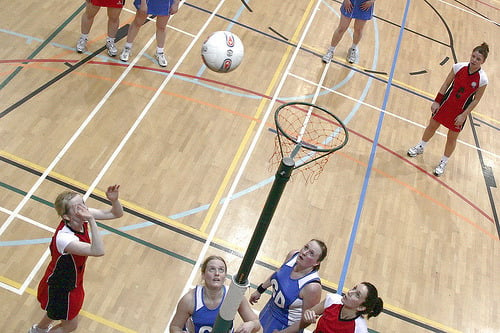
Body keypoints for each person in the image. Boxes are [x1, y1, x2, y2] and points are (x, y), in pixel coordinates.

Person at [29, 185, 123, 333]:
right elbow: (98, 251)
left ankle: (38, 330)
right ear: (66, 216)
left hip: (71, 279)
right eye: (77, 207)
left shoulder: (80, 216)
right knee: (70, 325)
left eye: (83, 204)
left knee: (56, 311)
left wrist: (115, 201)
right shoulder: (64, 238)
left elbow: (116, 214)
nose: (83, 209)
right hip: (62, 286)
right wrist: (91, 220)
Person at [407, 42, 489, 176]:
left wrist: (464, 115)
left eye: (478, 59)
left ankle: (443, 162)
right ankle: (421, 146)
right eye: (473, 56)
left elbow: (476, 100)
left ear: (483, 62)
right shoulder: (458, 67)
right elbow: (446, 84)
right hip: (445, 104)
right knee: (432, 126)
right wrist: (437, 101)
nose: (474, 60)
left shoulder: (483, 80)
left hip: (459, 112)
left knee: (451, 138)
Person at [249, 239, 328, 333]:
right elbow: (279, 274)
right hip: (269, 310)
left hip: (286, 326)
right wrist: (260, 289)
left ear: (316, 263)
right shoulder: (293, 255)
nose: (304, 252)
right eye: (306, 247)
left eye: (311, 253)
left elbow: (305, 320)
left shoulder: (312, 287)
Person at [170, 255, 261, 333]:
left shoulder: (234, 296)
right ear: (203, 275)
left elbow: (256, 323)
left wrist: (251, 325)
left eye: (221, 270)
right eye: (212, 269)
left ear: (225, 276)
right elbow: (175, 327)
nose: (217, 273)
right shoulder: (190, 300)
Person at [300, 282, 383, 333]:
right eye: (354, 288)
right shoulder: (333, 300)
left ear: (361, 307)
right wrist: (308, 315)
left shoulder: (359, 329)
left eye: (357, 295)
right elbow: (307, 314)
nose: (350, 292)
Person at [119, 0, 180, 67]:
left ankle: (160, 52)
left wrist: (176, 3)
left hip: (166, 2)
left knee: (161, 27)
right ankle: (127, 47)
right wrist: (143, 3)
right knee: (138, 22)